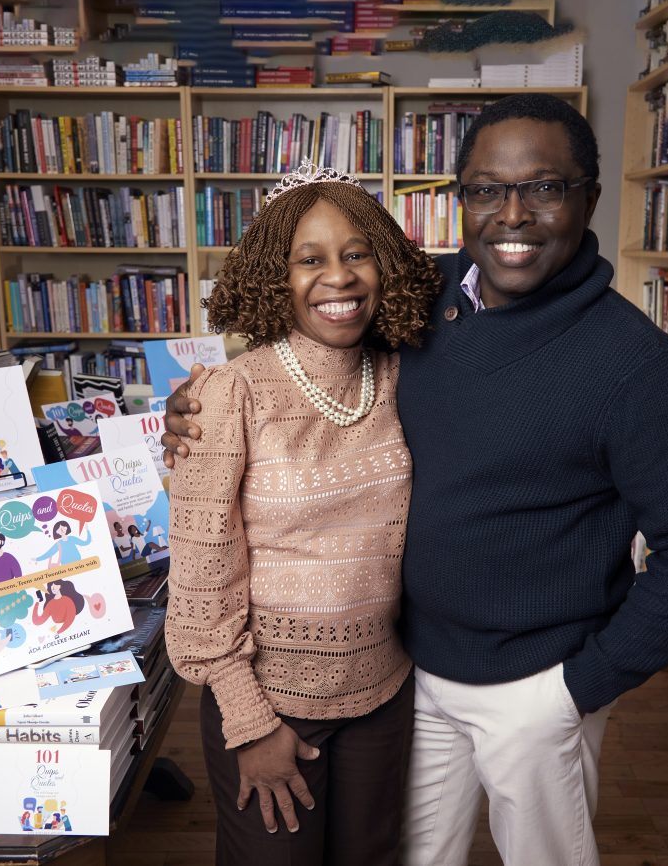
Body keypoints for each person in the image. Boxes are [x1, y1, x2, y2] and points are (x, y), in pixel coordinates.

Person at [162, 95, 668, 866]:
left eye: (544, 187)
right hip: (413, 674)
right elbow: (309, 317)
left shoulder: (638, 366)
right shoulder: (420, 302)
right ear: (459, 200)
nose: (513, 215)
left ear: (589, 199)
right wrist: (196, 411)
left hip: (536, 687)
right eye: (485, 189)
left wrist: (582, 686)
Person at [164, 161, 442, 866]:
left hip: (384, 689)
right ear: (272, 276)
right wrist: (251, 721)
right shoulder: (229, 393)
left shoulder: (408, 372)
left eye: (356, 255)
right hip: (268, 700)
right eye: (308, 260)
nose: (339, 278)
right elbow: (202, 576)